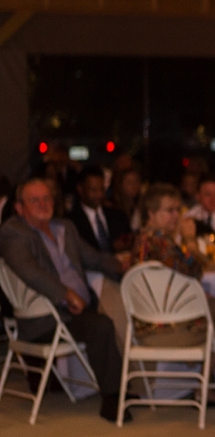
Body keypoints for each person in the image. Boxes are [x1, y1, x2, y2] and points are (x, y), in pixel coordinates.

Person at [0, 178, 130, 422]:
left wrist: (125, 266)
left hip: (78, 309)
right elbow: (30, 271)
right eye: (34, 200)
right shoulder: (13, 232)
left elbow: (93, 258)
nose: (43, 203)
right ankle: (114, 398)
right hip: (47, 317)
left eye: (47, 198)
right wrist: (65, 293)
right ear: (19, 208)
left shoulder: (65, 228)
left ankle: (125, 385)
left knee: (118, 310)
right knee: (101, 326)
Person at [131, 184, 215, 362]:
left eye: (177, 210)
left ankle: (207, 376)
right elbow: (194, 272)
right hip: (170, 329)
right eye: (170, 210)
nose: (176, 216)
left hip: (143, 326)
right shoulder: (162, 242)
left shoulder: (140, 240)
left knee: (210, 303)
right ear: (151, 213)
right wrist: (190, 241)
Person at [67, 165, 133, 254]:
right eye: (93, 190)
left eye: (102, 189)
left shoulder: (118, 216)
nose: (99, 194)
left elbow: (130, 239)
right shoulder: (71, 222)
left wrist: (126, 244)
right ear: (80, 189)